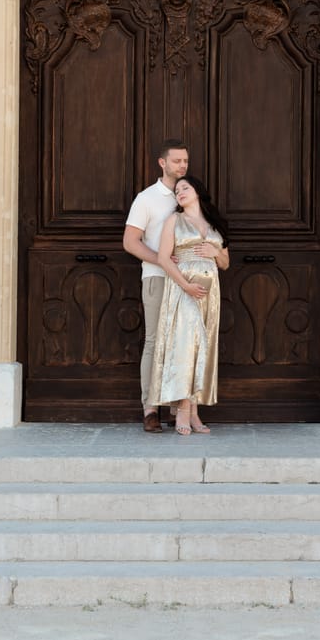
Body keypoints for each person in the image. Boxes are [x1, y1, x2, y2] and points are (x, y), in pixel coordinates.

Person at [147, 174, 229, 436]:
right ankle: (182, 409)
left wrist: (216, 252)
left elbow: (226, 262)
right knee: (184, 347)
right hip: (184, 290)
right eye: (177, 189)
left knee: (203, 348)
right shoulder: (175, 220)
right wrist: (186, 285)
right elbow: (164, 257)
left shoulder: (214, 224)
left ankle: (194, 412)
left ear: (197, 191)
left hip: (210, 295)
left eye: (185, 187)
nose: (180, 192)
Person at [123, 139, 189, 433]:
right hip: (157, 279)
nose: (182, 166)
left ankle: (177, 409)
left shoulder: (188, 195)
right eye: (177, 161)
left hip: (185, 282)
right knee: (154, 342)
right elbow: (130, 242)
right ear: (162, 163)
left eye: (185, 161)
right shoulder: (147, 198)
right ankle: (150, 408)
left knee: (179, 345)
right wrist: (162, 262)